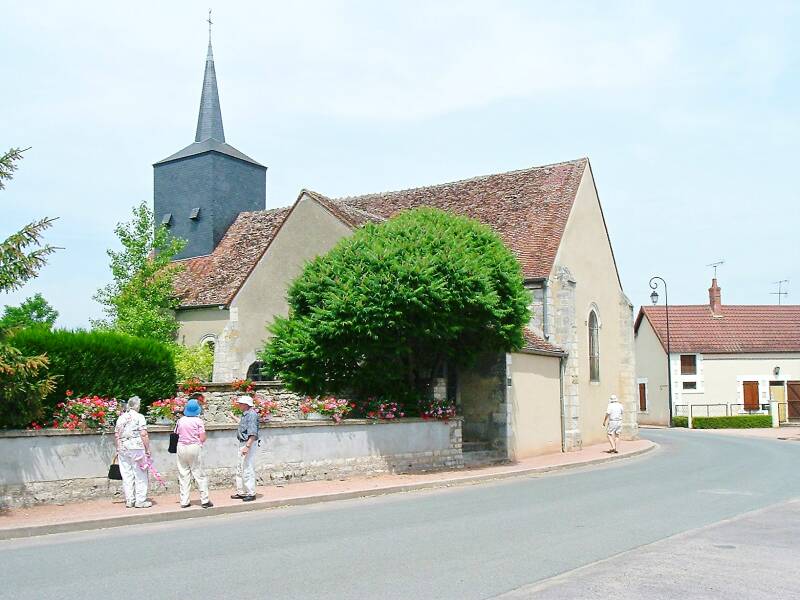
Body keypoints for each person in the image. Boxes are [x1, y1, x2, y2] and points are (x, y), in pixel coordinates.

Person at [175, 396, 213, 509]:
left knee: (183, 473)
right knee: (199, 473)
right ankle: (205, 500)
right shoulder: (198, 421)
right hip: (194, 447)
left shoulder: (180, 420)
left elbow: (177, 433)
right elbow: (202, 437)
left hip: (181, 447)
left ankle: (184, 501)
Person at [114, 396, 152, 508]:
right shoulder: (139, 417)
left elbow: (117, 435)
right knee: (140, 474)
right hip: (137, 448)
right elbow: (143, 434)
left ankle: (130, 500)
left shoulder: (121, 418)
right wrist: (147, 449)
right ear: (136, 406)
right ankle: (140, 500)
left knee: (126, 474)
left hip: (123, 448)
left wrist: (118, 448)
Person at [231, 395, 259, 502]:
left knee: (247, 468)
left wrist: (247, 446)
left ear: (246, 405)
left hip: (247, 443)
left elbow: (252, 432)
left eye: (241, 404)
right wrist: (233, 417)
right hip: (243, 443)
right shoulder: (246, 414)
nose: (239, 406)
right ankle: (241, 491)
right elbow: (243, 425)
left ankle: (251, 492)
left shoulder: (251, 415)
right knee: (240, 467)